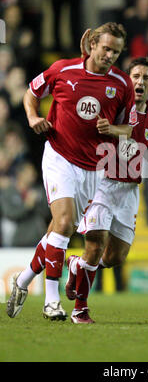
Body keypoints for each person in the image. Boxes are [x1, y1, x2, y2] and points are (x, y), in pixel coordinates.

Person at [6, 22, 136, 321]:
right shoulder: (63, 70)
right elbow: (31, 93)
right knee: (63, 224)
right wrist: (32, 116)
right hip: (59, 155)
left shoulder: (122, 84)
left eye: (116, 52)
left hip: (92, 168)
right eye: (106, 49)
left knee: (55, 232)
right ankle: (51, 302)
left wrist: (112, 129)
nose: (110, 56)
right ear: (92, 45)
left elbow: (129, 128)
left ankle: (22, 281)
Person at [66, 54, 148, 323]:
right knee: (95, 246)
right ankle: (80, 309)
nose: (140, 81)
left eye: (146, 78)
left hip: (129, 192)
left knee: (114, 258)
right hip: (101, 184)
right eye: (135, 76)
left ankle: (76, 264)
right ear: (126, 81)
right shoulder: (111, 108)